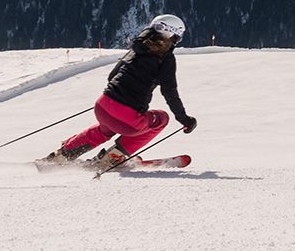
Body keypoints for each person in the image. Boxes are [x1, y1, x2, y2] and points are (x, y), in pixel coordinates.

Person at [44, 14, 198, 170]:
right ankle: (112, 157)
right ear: (171, 34)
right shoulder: (166, 58)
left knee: (105, 129)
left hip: (103, 105)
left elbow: (112, 76)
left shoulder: (137, 48)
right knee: (161, 118)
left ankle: (61, 156)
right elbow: (169, 91)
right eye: (177, 36)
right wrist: (184, 119)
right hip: (129, 119)